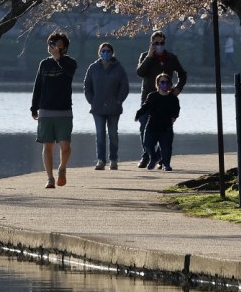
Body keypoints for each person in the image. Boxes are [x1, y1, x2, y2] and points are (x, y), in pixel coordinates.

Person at [31, 31, 77, 188]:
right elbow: (38, 86)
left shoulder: (70, 62)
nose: (54, 48)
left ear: (65, 48)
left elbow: (69, 73)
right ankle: (50, 178)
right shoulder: (44, 64)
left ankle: (62, 168)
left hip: (64, 110)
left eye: (58, 45)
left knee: (65, 146)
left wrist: (59, 59)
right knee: (47, 145)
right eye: (52, 44)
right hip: (46, 109)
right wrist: (34, 107)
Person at [135, 34, 188, 166]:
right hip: (149, 97)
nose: (159, 45)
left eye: (161, 43)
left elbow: (182, 73)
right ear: (151, 43)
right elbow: (140, 72)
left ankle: (161, 156)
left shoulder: (171, 58)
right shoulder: (145, 56)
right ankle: (147, 155)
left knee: (164, 129)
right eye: (156, 43)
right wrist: (149, 56)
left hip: (166, 99)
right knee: (144, 129)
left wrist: (178, 88)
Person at [82, 41, 130, 169]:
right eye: (103, 51)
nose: (106, 53)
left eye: (108, 51)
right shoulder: (93, 68)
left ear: (112, 53)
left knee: (113, 134)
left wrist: (119, 100)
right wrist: (91, 100)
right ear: (99, 53)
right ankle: (101, 161)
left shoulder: (119, 68)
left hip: (114, 107)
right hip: (97, 107)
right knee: (100, 134)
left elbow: (124, 87)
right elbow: (87, 86)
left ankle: (113, 159)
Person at [140, 73, 181, 170]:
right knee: (147, 144)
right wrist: (139, 115)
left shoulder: (173, 98)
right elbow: (146, 107)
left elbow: (176, 109)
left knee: (166, 147)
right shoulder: (152, 96)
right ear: (158, 84)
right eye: (162, 82)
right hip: (152, 125)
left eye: (167, 82)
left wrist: (174, 117)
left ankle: (166, 164)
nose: (165, 84)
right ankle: (154, 158)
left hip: (166, 126)